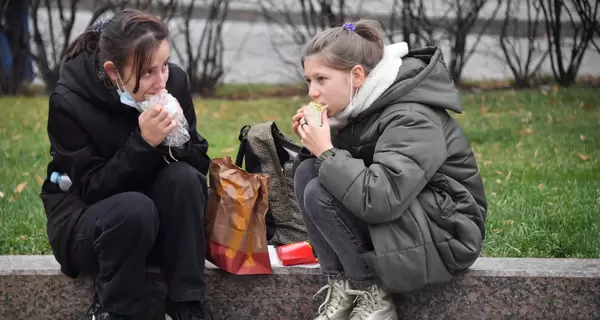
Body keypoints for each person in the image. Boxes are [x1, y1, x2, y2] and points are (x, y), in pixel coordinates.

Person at [291, 20, 487, 320]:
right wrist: (318, 142)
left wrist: (326, 150)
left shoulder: (411, 115)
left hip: (447, 231)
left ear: (357, 75)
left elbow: (382, 198)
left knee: (320, 186)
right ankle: (342, 287)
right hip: (409, 216)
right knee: (307, 171)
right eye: (308, 81)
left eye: (321, 79)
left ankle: (373, 297)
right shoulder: (358, 106)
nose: (313, 92)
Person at [39, 9, 213, 320]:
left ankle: (186, 304)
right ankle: (117, 312)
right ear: (112, 71)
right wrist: (143, 143)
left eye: (165, 67)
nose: (161, 82)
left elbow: (199, 167)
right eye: (148, 72)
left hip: (157, 224)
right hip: (90, 227)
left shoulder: (174, 82)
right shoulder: (69, 101)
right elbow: (89, 189)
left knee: (184, 179)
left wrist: (179, 141)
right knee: (134, 209)